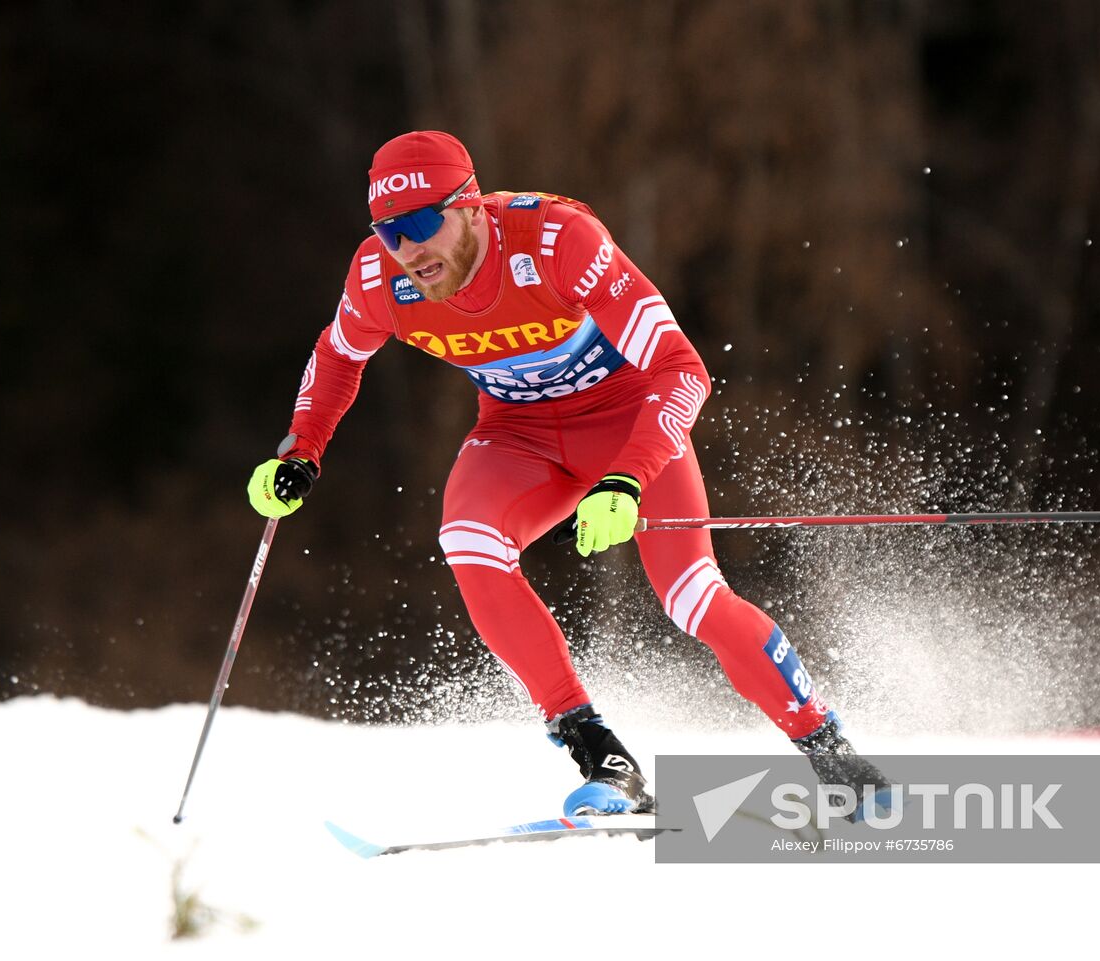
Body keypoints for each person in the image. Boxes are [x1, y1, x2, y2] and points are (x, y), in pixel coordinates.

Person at [248, 131, 888, 818]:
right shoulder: (380, 279)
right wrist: (301, 450)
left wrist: (626, 479)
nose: (408, 250)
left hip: (627, 421)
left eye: (422, 225)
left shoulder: (554, 240)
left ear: (470, 208)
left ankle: (831, 751)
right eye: (388, 231)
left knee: (691, 597)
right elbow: (338, 355)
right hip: (518, 435)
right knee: (468, 539)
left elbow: (683, 370)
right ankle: (602, 758)